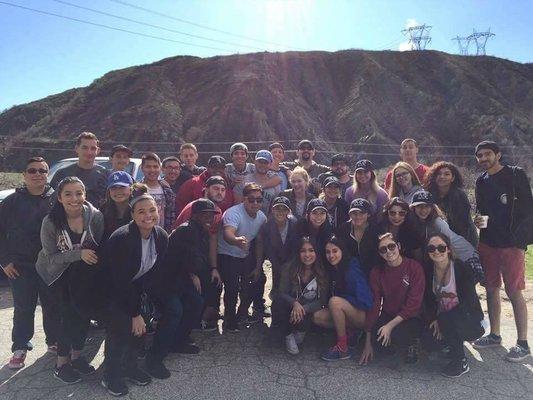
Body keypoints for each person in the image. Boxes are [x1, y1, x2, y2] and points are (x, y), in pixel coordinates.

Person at [102, 191, 172, 396]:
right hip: (112, 291)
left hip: (137, 289)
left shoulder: (160, 235)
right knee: (119, 331)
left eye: (152, 210)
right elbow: (119, 281)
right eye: (141, 212)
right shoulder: (122, 238)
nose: (148, 215)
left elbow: (155, 271)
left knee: (140, 331)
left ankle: (130, 368)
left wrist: (145, 304)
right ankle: (110, 376)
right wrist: (134, 313)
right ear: (132, 214)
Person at [36, 177, 104, 384]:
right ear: (59, 197)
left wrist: (85, 257)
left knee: (83, 315)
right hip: (56, 273)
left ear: (84, 195)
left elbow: (97, 246)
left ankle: (77, 357)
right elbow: (51, 257)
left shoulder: (95, 217)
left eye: (79, 193)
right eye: (68, 194)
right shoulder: (50, 222)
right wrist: (79, 254)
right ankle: (62, 363)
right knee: (66, 318)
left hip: (84, 273)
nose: (74, 199)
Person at [472, 140, 532, 361]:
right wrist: (478, 220)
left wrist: (520, 240)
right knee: (490, 288)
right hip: (488, 243)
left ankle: (523, 343)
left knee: (514, 291)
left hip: (512, 244)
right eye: (479, 156)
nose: (483, 159)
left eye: (487, 154)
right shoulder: (481, 181)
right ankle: (495, 334)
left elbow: (528, 209)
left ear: (498, 155)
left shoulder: (515, 175)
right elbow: (481, 209)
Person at [0, 157, 60, 369]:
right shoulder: (11, 202)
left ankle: (54, 341)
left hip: (50, 265)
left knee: (52, 305)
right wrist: (4, 260)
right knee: (24, 308)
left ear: (47, 174)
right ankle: (20, 346)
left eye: (42, 171)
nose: (37, 174)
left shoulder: (56, 200)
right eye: (32, 171)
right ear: (24, 175)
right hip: (20, 266)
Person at [423, 233, 484, 378]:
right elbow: (428, 301)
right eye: (432, 248)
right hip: (443, 318)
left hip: (469, 320)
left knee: (447, 319)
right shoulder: (428, 271)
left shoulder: (461, 269)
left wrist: (442, 319)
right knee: (428, 341)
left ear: (449, 249)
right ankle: (451, 345)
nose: (436, 251)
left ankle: (461, 361)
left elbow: (469, 302)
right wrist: (433, 319)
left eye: (441, 247)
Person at [359, 233, 425, 366]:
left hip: (412, 317)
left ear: (398, 246)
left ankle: (412, 344)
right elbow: (375, 305)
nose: (388, 251)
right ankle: (391, 344)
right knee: (377, 340)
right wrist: (367, 341)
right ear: (379, 254)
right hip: (389, 314)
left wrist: (389, 326)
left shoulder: (414, 267)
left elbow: (413, 304)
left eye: (391, 246)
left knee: (400, 333)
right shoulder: (377, 272)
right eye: (383, 249)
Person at [163, 199, 217, 351]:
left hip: (182, 273)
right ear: (194, 215)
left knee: (196, 301)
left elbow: (193, 259)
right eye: (204, 214)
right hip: (170, 277)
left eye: (211, 215)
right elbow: (184, 259)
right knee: (190, 303)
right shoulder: (188, 230)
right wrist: (192, 275)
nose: (209, 218)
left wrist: (194, 273)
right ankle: (174, 342)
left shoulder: (199, 230)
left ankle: (180, 338)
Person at [174, 178, 226, 331]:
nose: (219, 192)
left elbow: (212, 239)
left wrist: (214, 267)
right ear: (206, 189)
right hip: (179, 259)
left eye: (222, 190)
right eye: (215, 188)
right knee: (192, 291)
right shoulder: (194, 208)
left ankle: (202, 318)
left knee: (213, 281)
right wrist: (191, 274)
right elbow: (182, 245)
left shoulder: (217, 212)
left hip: (198, 256)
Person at [313, 236, 372, 361]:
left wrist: (343, 301)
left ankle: (342, 348)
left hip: (363, 315)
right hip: (348, 312)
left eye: (335, 251)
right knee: (317, 317)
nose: (331, 255)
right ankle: (352, 333)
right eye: (328, 252)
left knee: (335, 302)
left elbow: (366, 301)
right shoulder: (334, 269)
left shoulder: (352, 269)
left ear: (342, 251)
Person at [217, 183, 267, 332]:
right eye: (251, 200)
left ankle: (243, 313)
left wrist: (258, 266)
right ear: (244, 199)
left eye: (259, 200)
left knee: (255, 282)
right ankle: (229, 320)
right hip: (226, 254)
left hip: (245, 255)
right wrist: (237, 241)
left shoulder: (262, 217)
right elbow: (228, 234)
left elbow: (259, 243)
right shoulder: (233, 213)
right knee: (232, 288)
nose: (255, 203)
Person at [410, 190, 484, 283]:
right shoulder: (416, 222)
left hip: (465, 257)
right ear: (413, 208)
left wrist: (453, 266)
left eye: (427, 206)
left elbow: (450, 245)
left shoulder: (437, 223)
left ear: (432, 207)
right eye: (419, 206)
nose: (423, 210)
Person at [277, 236, 329, 355]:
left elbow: (322, 301)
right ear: (298, 253)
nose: (307, 255)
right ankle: (288, 335)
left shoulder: (322, 271)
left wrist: (304, 308)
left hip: (306, 311)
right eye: (303, 251)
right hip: (289, 309)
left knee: (306, 318)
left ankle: (301, 332)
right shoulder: (288, 268)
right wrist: (294, 303)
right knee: (278, 303)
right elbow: (281, 293)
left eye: (311, 250)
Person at [260, 196, 299, 323]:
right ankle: (277, 317)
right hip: (276, 262)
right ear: (272, 210)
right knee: (277, 288)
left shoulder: (294, 224)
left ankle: (293, 315)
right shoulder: (267, 226)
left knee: (292, 288)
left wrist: (289, 265)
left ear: (289, 211)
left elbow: (296, 248)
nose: (280, 212)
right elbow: (268, 250)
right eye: (277, 209)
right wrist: (277, 266)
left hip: (292, 262)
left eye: (284, 209)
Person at [425, 161, 478, 247]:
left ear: (453, 178)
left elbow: (463, 224)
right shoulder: (430, 194)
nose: (442, 177)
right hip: (439, 238)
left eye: (447, 174)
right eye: (439, 174)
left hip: (464, 238)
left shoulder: (459, 196)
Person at [50, 132, 109, 207]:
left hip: (98, 218)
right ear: (77, 149)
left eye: (93, 148)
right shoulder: (63, 174)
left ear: (98, 151)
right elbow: (52, 201)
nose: (89, 152)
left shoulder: (106, 174)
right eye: (85, 148)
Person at [335, 198, 381, 276]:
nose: (358, 216)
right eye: (354, 213)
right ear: (349, 214)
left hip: (373, 270)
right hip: (350, 270)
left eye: (362, 213)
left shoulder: (376, 230)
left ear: (368, 214)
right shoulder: (343, 229)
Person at [140, 153, 176, 233]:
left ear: (160, 169)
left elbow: (171, 216)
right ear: (142, 168)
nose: (152, 170)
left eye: (155, 167)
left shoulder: (167, 191)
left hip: (162, 235)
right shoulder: (137, 190)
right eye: (148, 167)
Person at [100, 171, 135, 241]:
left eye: (122, 187)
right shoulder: (103, 210)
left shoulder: (138, 208)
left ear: (131, 188)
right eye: (113, 188)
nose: (118, 191)